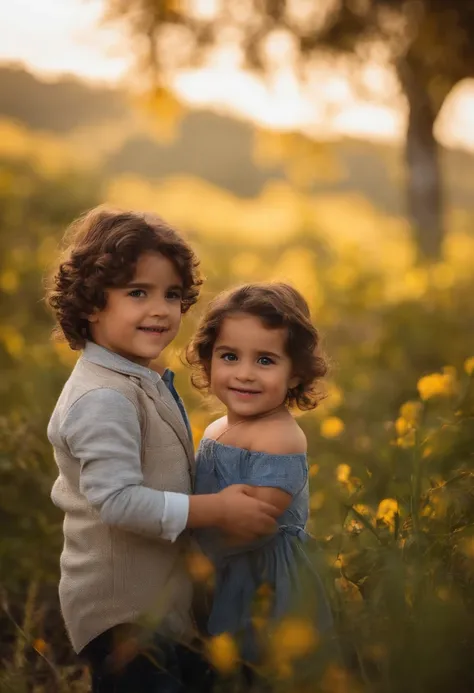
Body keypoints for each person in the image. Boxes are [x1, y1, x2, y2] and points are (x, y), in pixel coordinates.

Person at [46, 206, 280, 693]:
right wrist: (215, 510)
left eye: (172, 294)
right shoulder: (103, 396)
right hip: (119, 613)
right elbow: (116, 501)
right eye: (138, 293)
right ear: (91, 303)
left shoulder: (132, 377)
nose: (161, 309)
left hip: (158, 602)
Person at [187, 282, 338, 681]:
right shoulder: (220, 426)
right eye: (230, 356)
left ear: (295, 375)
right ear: (208, 360)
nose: (244, 374)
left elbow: (250, 527)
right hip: (223, 572)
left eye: (266, 361)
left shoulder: (278, 437)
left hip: (262, 586)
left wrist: (178, 543)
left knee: (257, 671)